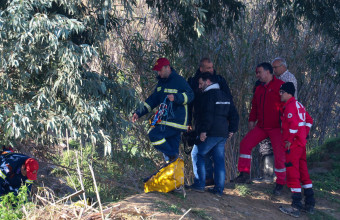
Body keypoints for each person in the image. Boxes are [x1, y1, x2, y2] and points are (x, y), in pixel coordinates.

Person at [233, 62, 286, 196]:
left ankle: (280, 182)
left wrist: (285, 126)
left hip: (276, 128)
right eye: (256, 72)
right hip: (261, 126)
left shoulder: (280, 86)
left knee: (279, 155)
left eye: (259, 72)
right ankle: (244, 174)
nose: (257, 75)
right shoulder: (259, 88)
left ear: (268, 72)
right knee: (245, 144)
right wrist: (252, 120)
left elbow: (287, 105)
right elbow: (255, 106)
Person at [132, 58, 194, 161]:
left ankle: (172, 157)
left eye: (160, 70)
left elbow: (191, 95)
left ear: (167, 67)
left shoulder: (179, 81)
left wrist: (176, 98)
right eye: (157, 71)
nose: (158, 73)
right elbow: (152, 100)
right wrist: (138, 113)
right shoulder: (161, 83)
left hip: (175, 121)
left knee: (154, 135)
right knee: (173, 153)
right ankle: (173, 166)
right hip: (166, 121)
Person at [190, 73, 239, 197]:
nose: (199, 86)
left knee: (197, 153)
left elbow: (208, 115)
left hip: (211, 132)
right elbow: (234, 114)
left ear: (208, 82)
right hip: (223, 133)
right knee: (219, 160)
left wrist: (203, 131)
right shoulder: (225, 95)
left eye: (201, 83)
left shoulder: (207, 96)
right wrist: (232, 129)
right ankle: (219, 189)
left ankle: (199, 184)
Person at [187, 57, 233, 185]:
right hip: (200, 120)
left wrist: (230, 123)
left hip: (214, 122)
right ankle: (212, 182)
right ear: (201, 69)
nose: (211, 70)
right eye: (208, 68)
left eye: (212, 67)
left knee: (201, 152)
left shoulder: (219, 80)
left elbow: (229, 102)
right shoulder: (193, 81)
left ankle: (202, 183)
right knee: (209, 153)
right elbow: (189, 104)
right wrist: (188, 122)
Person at [278, 82, 315, 217]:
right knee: (303, 172)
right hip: (301, 145)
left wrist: (289, 139)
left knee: (292, 172)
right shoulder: (300, 105)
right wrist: (305, 134)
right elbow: (309, 120)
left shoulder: (289, 107)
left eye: (282, 92)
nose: (280, 94)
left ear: (288, 93)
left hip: (292, 146)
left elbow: (293, 125)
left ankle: (296, 206)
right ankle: (310, 203)